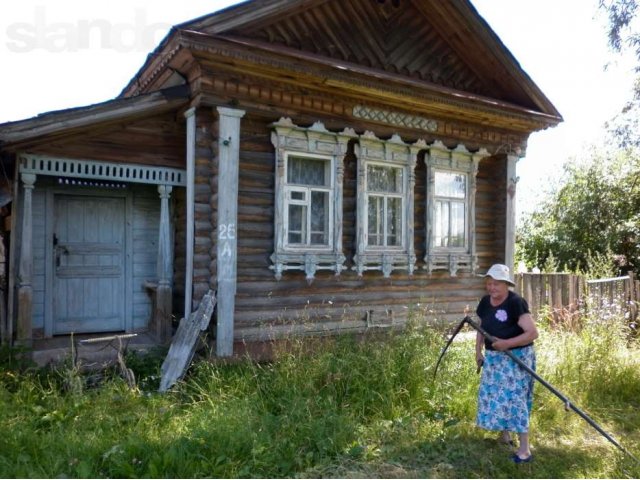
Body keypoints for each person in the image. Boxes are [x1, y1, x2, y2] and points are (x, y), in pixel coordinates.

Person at [475, 264, 538, 463]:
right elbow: (481, 327)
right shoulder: (485, 302)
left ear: (506, 285)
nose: (491, 288)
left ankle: (525, 450)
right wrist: (478, 351)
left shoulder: (515, 303)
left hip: (516, 357)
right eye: (489, 283)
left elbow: (532, 333)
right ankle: (505, 436)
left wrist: (507, 344)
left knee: (515, 398)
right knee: (497, 395)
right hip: (494, 358)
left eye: (496, 284)